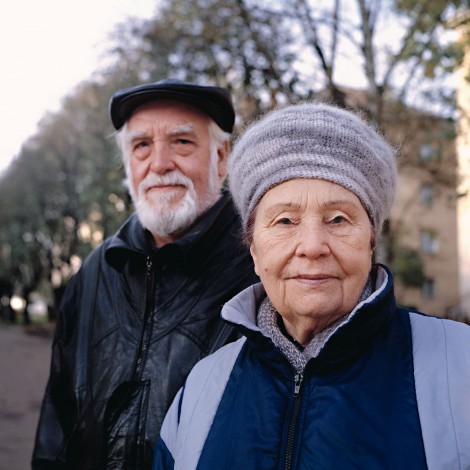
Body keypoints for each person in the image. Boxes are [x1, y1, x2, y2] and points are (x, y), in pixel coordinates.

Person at [153, 102, 470, 469]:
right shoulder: (202, 386)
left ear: (371, 242)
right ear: (254, 248)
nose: (313, 247)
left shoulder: (459, 364)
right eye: (285, 221)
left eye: (338, 219)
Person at [32, 79, 258, 469]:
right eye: (142, 146)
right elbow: (57, 424)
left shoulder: (262, 268)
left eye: (182, 142)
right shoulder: (95, 273)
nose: (159, 164)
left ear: (221, 158)